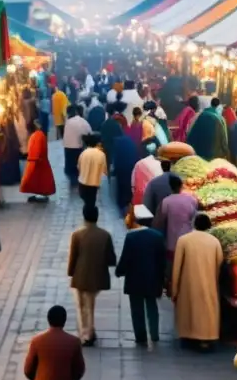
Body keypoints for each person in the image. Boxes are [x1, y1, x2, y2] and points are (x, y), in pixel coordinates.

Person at [171, 214, 223, 349]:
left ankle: (188, 335)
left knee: (189, 309)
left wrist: (174, 289)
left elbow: (177, 266)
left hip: (187, 284)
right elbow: (219, 264)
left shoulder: (184, 240)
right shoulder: (215, 242)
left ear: (194, 224)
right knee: (207, 311)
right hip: (209, 283)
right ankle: (206, 338)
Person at [67, 205, 116, 346]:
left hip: (80, 275)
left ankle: (85, 333)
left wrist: (71, 272)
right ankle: (90, 330)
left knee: (82, 305)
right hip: (98, 275)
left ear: (84, 216)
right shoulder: (105, 235)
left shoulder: (77, 235)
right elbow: (111, 259)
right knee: (90, 303)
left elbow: (73, 257)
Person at [117, 210, 167, 345]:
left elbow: (125, 258)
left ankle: (141, 336)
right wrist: (163, 279)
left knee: (136, 308)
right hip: (152, 278)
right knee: (152, 306)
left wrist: (119, 271)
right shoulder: (158, 236)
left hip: (135, 279)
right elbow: (162, 261)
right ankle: (155, 334)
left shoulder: (131, 237)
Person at [155, 175, 199, 265]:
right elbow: (195, 219)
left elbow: (159, 222)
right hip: (189, 242)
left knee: (172, 267)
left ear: (170, 187)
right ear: (181, 186)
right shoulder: (192, 200)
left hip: (172, 244)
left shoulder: (166, 201)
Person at [20, 119, 56, 202]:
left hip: (37, 161)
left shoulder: (37, 136)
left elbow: (36, 150)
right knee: (40, 181)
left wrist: (33, 159)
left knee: (38, 181)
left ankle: (40, 196)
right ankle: (40, 195)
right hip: (39, 161)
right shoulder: (40, 135)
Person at [63, 105, 92, 184]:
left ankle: (73, 183)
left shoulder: (68, 121)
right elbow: (89, 132)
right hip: (77, 148)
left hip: (67, 148)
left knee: (71, 169)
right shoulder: (83, 121)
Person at [78, 133, 107, 208]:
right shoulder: (101, 154)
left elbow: (79, 167)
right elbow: (105, 171)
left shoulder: (83, 153)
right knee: (91, 204)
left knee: (87, 203)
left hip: (82, 183)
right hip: (93, 184)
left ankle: (87, 214)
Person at [113, 133, 140, 213]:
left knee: (121, 187)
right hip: (130, 168)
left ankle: (121, 206)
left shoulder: (119, 146)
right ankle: (128, 204)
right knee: (129, 186)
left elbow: (116, 159)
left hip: (121, 170)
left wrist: (115, 170)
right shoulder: (131, 145)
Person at [132, 144, 163, 208]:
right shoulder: (161, 165)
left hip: (138, 203)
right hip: (154, 204)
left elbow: (133, 185)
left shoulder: (139, 163)